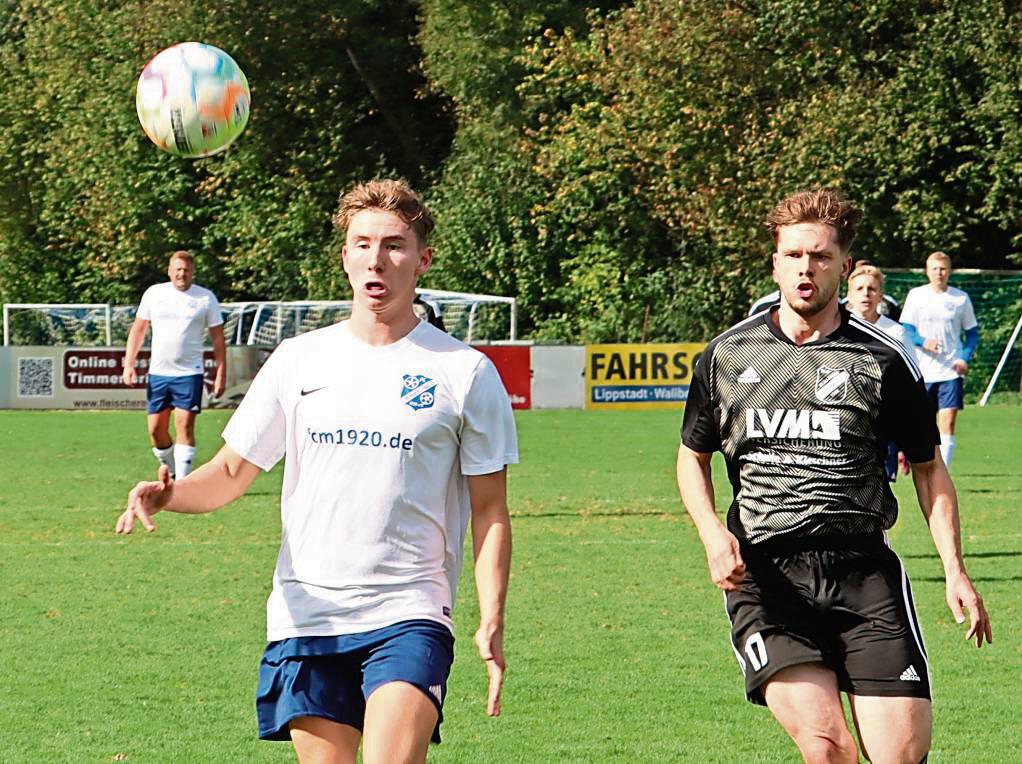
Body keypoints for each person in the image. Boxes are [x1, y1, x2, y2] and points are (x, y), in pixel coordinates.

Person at [116, 179, 518, 764]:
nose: (376, 258)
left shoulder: (465, 373)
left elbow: (490, 510)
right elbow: (230, 471)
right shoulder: (300, 359)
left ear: (422, 258)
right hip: (305, 614)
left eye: (394, 244)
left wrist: (492, 617)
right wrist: (167, 495)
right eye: (361, 243)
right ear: (345, 256)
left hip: (408, 610)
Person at [677, 188, 991, 764]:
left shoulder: (883, 361)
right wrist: (710, 534)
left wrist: (955, 570)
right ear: (774, 263)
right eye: (794, 255)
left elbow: (928, 468)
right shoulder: (727, 356)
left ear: (843, 267)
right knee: (827, 749)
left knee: (901, 755)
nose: (806, 267)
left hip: (863, 572)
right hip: (766, 574)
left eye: (820, 256)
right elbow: (690, 456)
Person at [122, 250, 226, 478]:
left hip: (190, 373)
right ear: (169, 271)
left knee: (184, 426)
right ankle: (172, 473)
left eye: (186, 270)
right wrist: (129, 364)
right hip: (158, 373)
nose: (182, 274)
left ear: (192, 273)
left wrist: (220, 373)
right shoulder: (154, 294)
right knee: (156, 431)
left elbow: (218, 338)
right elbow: (139, 330)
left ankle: (183, 484)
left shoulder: (205, 298)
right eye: (177, 269)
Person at [899, 251, 979, 470]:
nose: (939, 273)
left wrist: (964, 358)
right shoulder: (916, 296)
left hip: (950, 370)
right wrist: (922, 341)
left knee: (948, 422)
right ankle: (909, 454)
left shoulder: (960, 298)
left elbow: (972, 333)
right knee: (921, 424)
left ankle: (943, 470)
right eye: (934, 269)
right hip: (923, 370)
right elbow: (905, 328)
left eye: (943, 269)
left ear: (949, 271)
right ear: (927, 271)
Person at [845, 262, 912, 480]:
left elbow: (910, 383)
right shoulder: (836, 330)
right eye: (860, 289)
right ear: (849, 295)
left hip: (883, 422)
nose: (866, 294)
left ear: (880, 295)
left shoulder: (896, 334)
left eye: (872, 289)